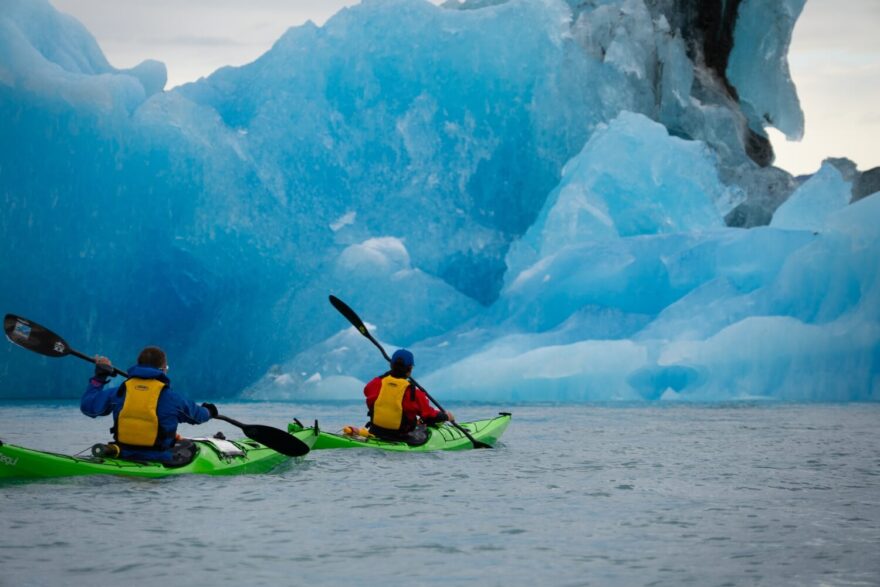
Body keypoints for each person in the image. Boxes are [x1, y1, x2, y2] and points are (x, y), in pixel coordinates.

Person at [80, 345, 218, 464]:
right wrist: (209, 411)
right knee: (190, 447)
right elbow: (198, 416)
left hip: (123, 453)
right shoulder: (171, 398)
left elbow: (89, 408)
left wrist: (99, 377)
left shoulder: (120, 392)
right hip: (158, 457)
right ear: (163, 369)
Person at [363, 348, 454, 446]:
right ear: (410, 368)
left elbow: (367, 391)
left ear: (391, 365)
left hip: (376, 432)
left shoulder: (376, 383)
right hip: (401, 437)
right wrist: (445, 416)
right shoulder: (413, 392)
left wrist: (388, 374)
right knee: (425, 425)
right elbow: (429, 416)